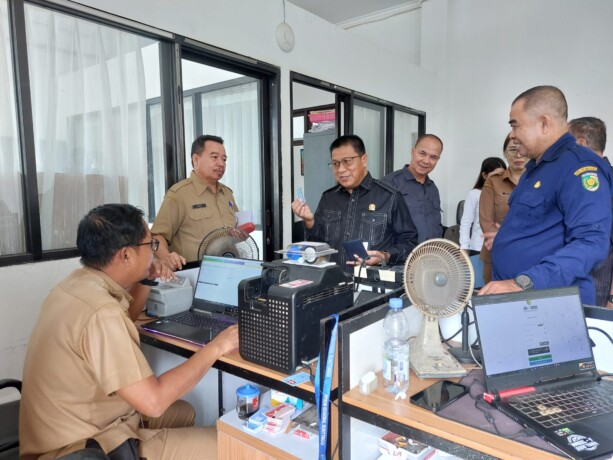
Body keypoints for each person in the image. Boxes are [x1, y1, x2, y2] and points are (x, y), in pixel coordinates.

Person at [20, 204, 238, 459]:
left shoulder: (76, 285)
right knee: (226, 445)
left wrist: (146, 277)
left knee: (184, 411)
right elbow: (154, 403)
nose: (154, 253)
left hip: (65, 424)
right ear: (125, 255)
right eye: (150, 246)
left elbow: (125, 318)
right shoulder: (101, 312)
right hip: (83, 446)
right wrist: (218, 346)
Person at [479, 86, 613, 305]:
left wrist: (524, 282)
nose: (512, 135)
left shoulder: (579, 168)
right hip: (519, 300)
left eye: (515, 125)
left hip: (548, 303)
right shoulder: (536, 168)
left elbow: (591, 242)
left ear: (543, 123)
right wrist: (507, 236)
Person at [291, 134, 418, 270]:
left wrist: (384, 255)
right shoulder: (328, 198)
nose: (340, 169)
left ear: (364, 160)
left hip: (372, 284)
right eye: (335, 163)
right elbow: (318, 247)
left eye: (347, 161)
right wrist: (309, 222)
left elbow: (410, 242)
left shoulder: (390, 197)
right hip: (333, 283)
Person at [152, 134, 239, 268]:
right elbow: (157, 237)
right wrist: (166, 258)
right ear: (196, 159)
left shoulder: (227, 194)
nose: (221, 164)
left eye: (224, 159)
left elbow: (237, 228)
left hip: (230, 267)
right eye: (214, 157)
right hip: (194, 273)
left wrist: (241, 233)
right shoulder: (178, 194)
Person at [569, 117, 613, 308]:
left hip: (599, 284)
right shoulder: (573, 177)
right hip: (570, 279)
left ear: (581, 143)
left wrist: (612, 297)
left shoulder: (606, 179)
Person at [479, 135, 528, 283]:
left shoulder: (539, 180)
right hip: (496, 255)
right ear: (504, 153)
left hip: (529, 256)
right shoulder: (493, 181)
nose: (518, 155)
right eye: (512, 149)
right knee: (495, 302)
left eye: (522, 149)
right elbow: (486, 221)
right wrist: (507, 243)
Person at [382, 134, 444, 243]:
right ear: (413, 151)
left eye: (433, 157)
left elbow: (436, 226)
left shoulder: (433, 188)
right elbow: (379, 228)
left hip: (431, 256)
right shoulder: (390, 183)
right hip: (401, 258)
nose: (426, 161)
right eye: (422, 153)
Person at [459, 157, 506, 256]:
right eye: (495, 175)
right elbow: (466, 222)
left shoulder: (506, 195)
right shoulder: (475, 194)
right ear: (484, 175)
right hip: (478, 248)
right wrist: (464, 247)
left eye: (502, 175)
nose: (498, 179)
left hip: (500, 247)